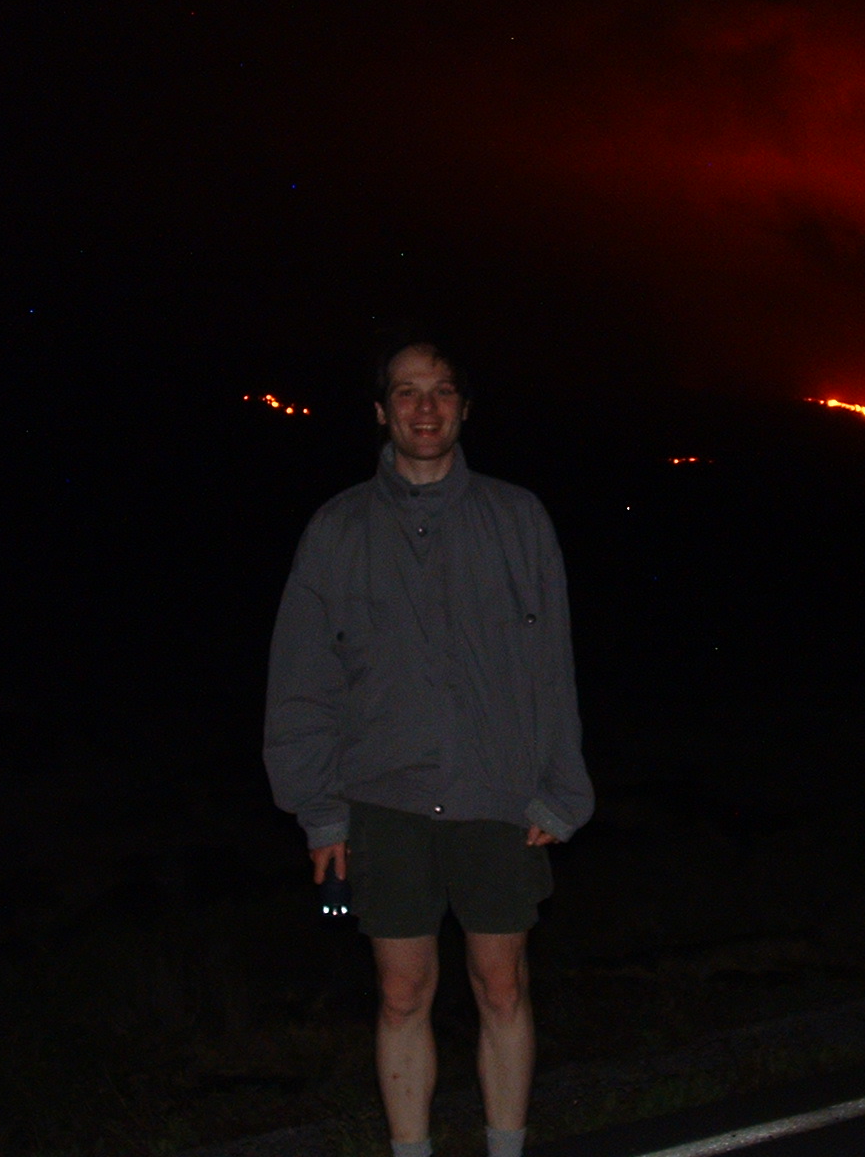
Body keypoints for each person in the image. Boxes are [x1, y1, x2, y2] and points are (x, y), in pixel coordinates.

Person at [264, 341, 595, 1157]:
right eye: (406, 393)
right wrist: (320, 812)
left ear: (463, 408)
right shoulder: (338, 529)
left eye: (441, 392)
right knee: (403, 994)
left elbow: (552, 664)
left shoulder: (518, 519)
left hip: (497, 794)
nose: (424, 408)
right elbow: (303, 680)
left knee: (502, 984)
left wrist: (561, 789)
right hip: (384, 800)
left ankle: (505, 1148)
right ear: (381, 412)